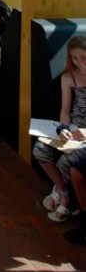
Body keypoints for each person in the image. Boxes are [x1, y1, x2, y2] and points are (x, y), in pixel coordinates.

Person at [32, 35, 86, 222]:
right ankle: (63, 191)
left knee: (67, 160)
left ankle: (64, 198)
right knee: (40, 149)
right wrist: (63, 128)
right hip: (74, 128)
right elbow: (65, 110)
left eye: (84, 58)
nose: (80, 63)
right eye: (75, 58)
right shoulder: (69, 77)